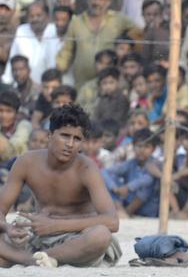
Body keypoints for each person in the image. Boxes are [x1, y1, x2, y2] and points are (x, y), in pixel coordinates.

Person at [0, 104, 121, 267]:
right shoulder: (26, 162)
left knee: (101, 235)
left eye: (77, 139)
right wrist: (8, 228)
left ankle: (33, 259)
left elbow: (112, 221)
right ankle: (36, 259)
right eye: (65, 136)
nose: (70, 144)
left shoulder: (86, 168)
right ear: (50, 135)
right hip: (35, 234)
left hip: (75, 239)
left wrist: (55, 225)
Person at [56, 0, 139, 85]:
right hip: (82, 84)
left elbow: (139, 34)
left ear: (108, 1)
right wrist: (60, 68)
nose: (97, 3)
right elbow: (67, 50)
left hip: (110, 83)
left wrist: (125, 54)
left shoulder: (119, 20)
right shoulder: (76, 22)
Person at [101, 128, 160, 218]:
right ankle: (120, 210)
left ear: (153, 149)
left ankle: (126, 213)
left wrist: (128, 187)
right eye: (139, 146)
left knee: (145, 187)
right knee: (108, 179)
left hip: (147, 209)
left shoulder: (155, 164)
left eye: (146, 146)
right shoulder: (131, 163)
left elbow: (147, 180)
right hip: (126, 201)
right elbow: (104, 171)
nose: (142, 150)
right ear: (133, 146)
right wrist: (114, 187)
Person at [3, 2, 58, 85]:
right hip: (25, 86)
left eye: (39, 15)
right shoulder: (22, 31)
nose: (35, 19)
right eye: (31, 16)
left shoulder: (55, 31)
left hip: (50, 86)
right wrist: (7, 81)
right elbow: (13, 57)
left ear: (47, 16)